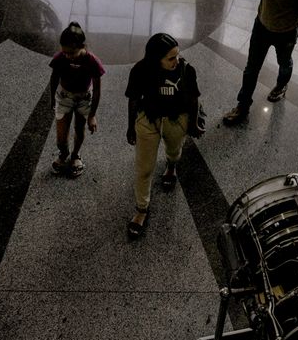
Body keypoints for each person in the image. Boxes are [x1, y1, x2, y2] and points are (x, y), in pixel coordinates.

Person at [124, 33, 202, 238]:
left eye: (177, 55)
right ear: (155, 59)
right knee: (144, 167)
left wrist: (193, 124)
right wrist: (131, 127)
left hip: (176, 119)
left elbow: (194, 99)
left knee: (175, 152)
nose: (176, 61)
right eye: (170, 58)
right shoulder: (140, 70)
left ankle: (171, 166)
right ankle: (141, 209)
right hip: (148, 120)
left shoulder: (186, 70)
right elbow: (133, 99)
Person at [48, 22, 105, 177]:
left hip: (84, 98)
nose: (67, 56)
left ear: (82, 46)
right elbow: (54, 77)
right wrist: (53, 98)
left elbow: (98, 88)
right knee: (61, 133)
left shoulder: (92, 61)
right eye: (64, 52)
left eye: (71, 52)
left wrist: (92, 115)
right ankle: (63, 152)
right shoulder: (61, 57)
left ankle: (75, 155)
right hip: (64, 96)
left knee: (79, 129)